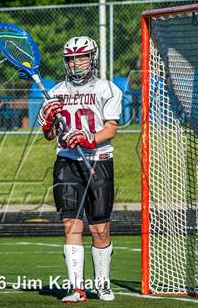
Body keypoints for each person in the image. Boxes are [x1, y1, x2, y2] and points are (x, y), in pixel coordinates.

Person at [38, 36, 122, 303]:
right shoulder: (55, 91)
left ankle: (102, 283)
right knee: (71, 225)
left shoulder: (108, 89)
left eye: (81, 57)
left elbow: (110, 129)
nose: (76, 63)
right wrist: (48, 120)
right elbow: (49, 135)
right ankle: (76, 287)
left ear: (92, 58)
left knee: (100, 229)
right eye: (71, 59)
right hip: (67, 162)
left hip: (98, 160)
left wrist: (88, 139)